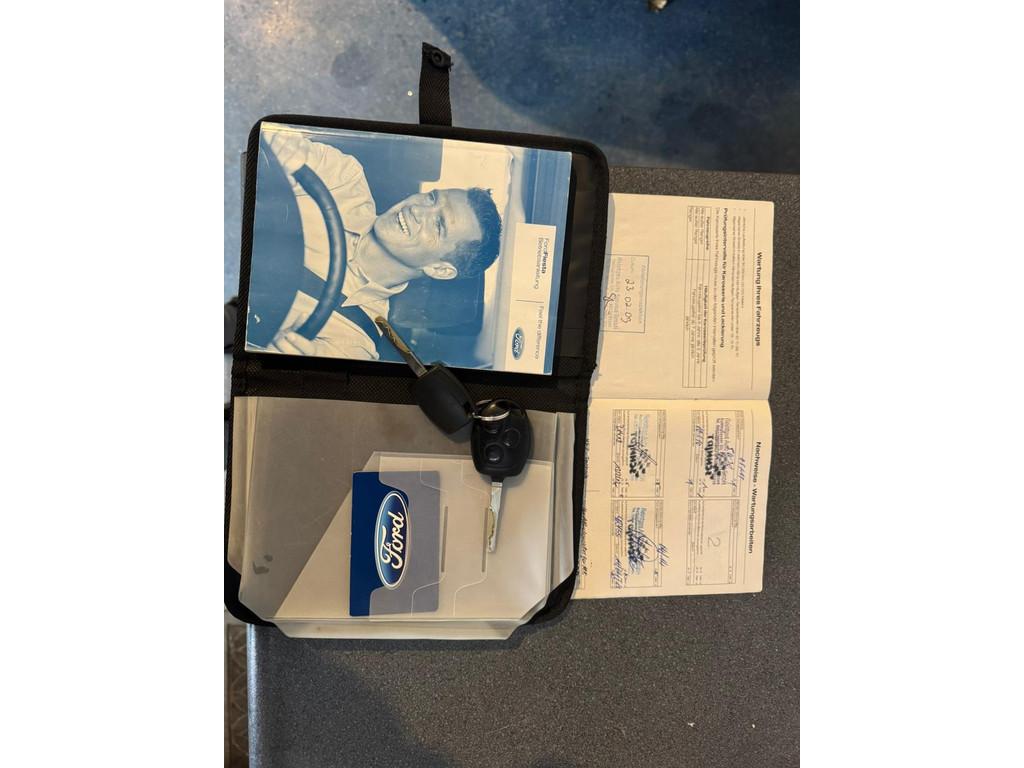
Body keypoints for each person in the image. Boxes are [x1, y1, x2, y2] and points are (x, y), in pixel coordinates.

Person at [262, 128, 502, 359]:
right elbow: (275, 143)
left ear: (439, 269)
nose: (417, 209)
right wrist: (283, 151)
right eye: (431, 198)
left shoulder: (354, 343)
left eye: (438, 224)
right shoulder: (344, 179)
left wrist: (286, 361)